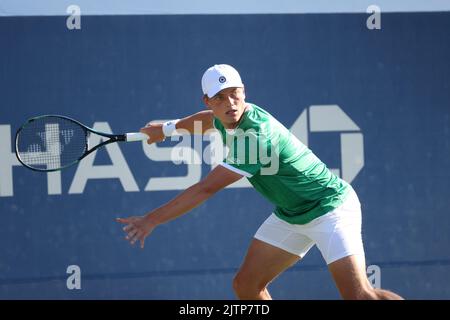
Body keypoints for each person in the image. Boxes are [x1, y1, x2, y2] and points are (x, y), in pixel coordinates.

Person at [116, 64, 403, 300]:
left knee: (361, 297)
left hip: (330, 208)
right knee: (246, 286)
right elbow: (207, 121)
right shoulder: (223, 116)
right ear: (208, 101)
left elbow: (207, 188)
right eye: (220, 98)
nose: (230, 103)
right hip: (291, 214)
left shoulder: (254, 136)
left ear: (244, 92)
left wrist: (151, 219)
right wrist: (167, 129)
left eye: (235, 94)